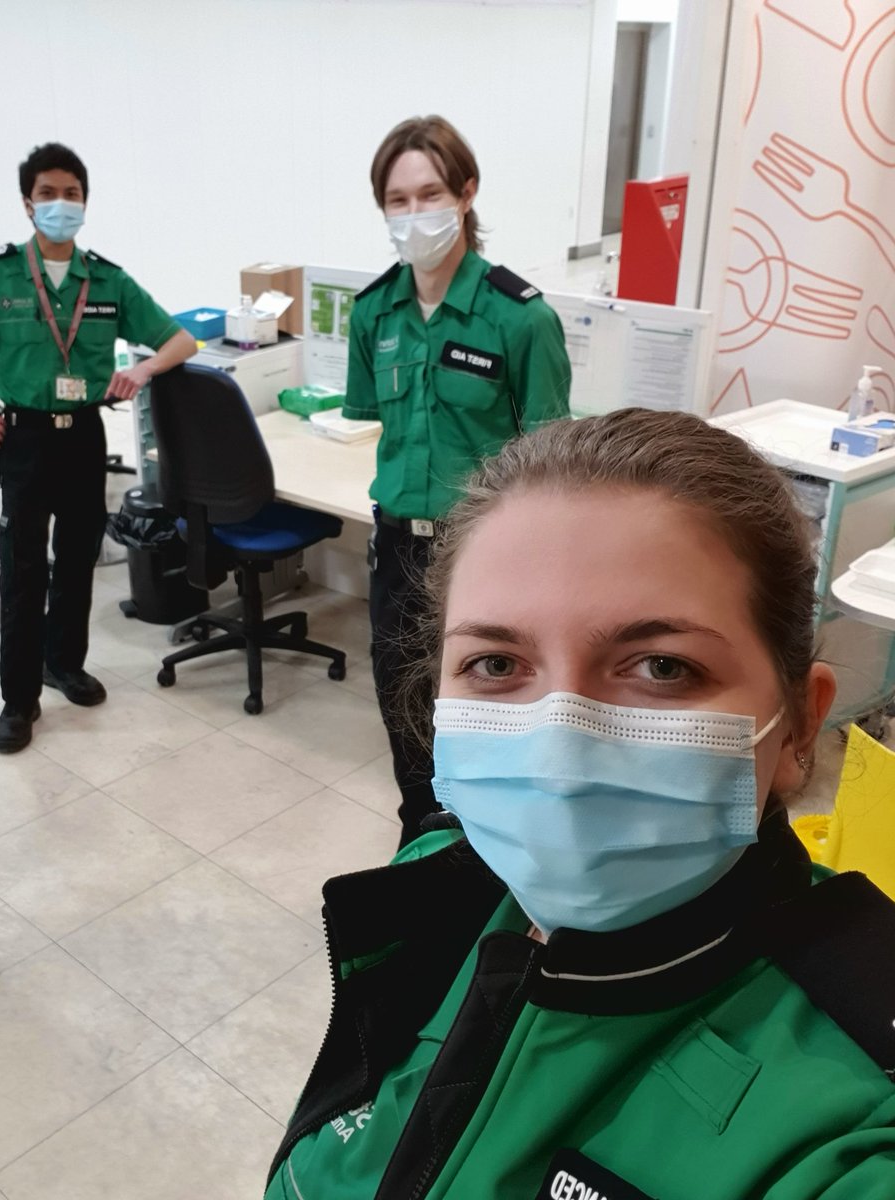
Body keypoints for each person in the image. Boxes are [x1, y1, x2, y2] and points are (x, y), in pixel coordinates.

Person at [265, 408, 895, 1199]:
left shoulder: (857, 1117)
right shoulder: (434, 883)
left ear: (800, 722)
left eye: (662, 667)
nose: (560, 758)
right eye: (496, 662)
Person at [0, 142, 196, 754]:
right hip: (22, 437)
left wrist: (143, 371)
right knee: (22, 570)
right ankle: (19, 700)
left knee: (76, 560)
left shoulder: (108, 279)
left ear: (85, 203)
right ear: (27, 203)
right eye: (48, 193)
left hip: (85, 435)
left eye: (71, 194)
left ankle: (63, 664)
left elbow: (180, 340)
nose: (60, 204)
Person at [344, 115, 571, 847]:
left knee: (485, 710)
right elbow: (376, 418)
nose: (414, 215)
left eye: (429, 194)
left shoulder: (520, 319)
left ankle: (493, 847)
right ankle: (422, 838)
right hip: (398, 547)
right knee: (401, 702)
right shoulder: (373, 311)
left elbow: (548, 464)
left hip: (485, 555)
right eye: (397, 201)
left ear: (467, 192)